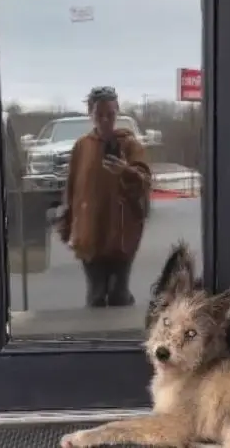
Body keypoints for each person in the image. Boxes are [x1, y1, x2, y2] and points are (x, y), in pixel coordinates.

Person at [56, 86, 152, 308]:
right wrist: (68, 221)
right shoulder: (82, 146)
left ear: (117, 112)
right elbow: (73, 188)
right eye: (100, 114)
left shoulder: (129, 144)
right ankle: (95, 339)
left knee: (118, 294)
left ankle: (122, 335)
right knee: (96, 294)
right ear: (91, 114)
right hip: (90, 231)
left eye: (111, 114)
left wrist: (125, 171)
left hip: (121, 232)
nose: (106, 120)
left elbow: (145, 181)